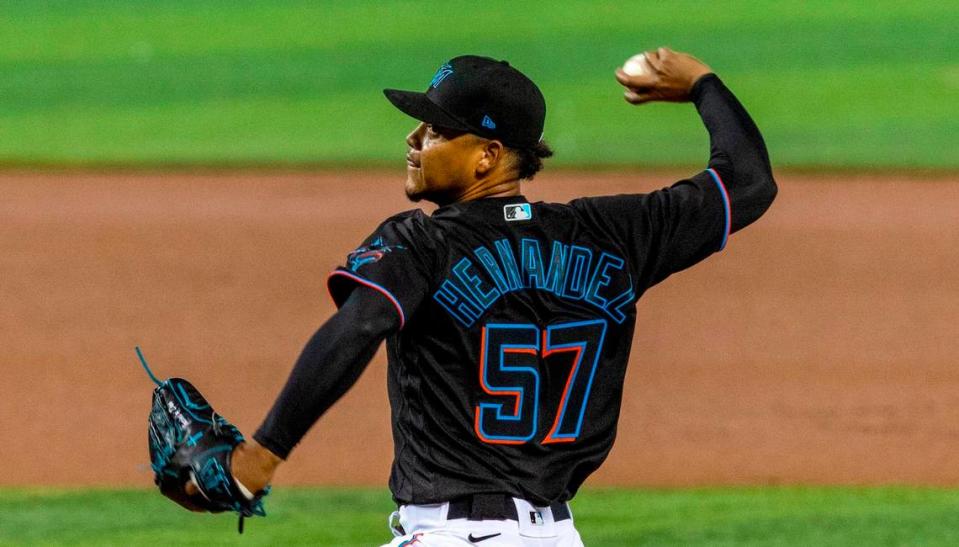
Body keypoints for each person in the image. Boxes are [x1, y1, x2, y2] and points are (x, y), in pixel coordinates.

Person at [228, 48, 777, 546]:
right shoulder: (614, 234)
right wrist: (702, 82)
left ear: (487, 155)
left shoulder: (423, 242)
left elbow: (360, 325)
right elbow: (748, 182)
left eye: (436, 130)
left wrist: (262, 454)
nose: (413, 140)